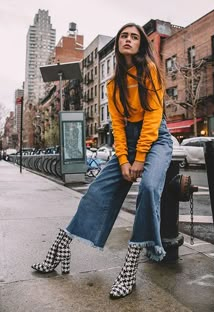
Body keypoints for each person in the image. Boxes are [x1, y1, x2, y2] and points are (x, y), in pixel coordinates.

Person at [31, 22, 173, 299]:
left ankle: (130, 267)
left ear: (141, 44)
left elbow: (153, 118)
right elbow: (118, 126)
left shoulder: (150, 71)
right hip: (128, 142)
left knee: (148, 188)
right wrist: (123, 160)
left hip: (155, 138)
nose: (128, 40)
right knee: (95, 194)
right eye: (124, 36)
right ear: (119, 43)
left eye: (134, 37)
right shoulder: (113, 83)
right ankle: (61, 246)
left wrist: (140, 158)